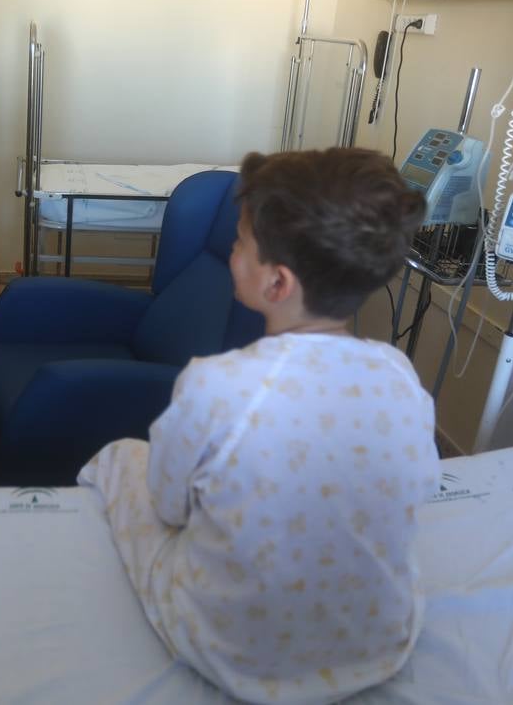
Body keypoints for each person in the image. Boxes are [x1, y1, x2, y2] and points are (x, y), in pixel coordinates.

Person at [79, 148, 439, 704]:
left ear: (276, 283)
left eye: (239, 241)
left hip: (234, 652)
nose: (231, 250)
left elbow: (170, 507)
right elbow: (414, 493)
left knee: (123, 457)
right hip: (377, 645)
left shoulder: (217, 383)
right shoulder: (400, 377)